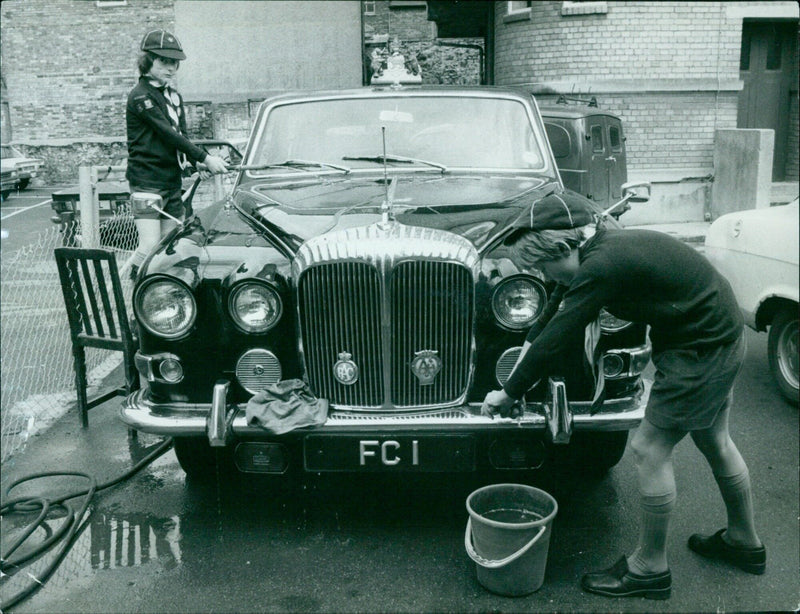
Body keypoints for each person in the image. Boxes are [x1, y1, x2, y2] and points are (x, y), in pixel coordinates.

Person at [481, 193, 765, 600]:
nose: (543, 274)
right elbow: (549, 320)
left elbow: (560, 336)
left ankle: (649, 569)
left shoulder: (601, 266)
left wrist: (508, 393)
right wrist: (518, 365)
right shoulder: (595, 253)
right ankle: (743, 542)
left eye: (541, 265)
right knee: (713, 439)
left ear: (559, 247)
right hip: (717, 333)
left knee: (650, 447)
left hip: (701, 347)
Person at [125, 29, 228, 275]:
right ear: (147, 60)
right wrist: (205, 157)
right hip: (147, 182)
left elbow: (180, 136)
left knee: (168, 247)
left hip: (170, 181)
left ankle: (157, 296)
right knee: (149, 246)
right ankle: (126, 288)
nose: (170, 68)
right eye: (163, 61)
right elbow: (166, 133)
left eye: (174, 63)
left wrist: (195, 166)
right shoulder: (141, 97)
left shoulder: (173, 96)